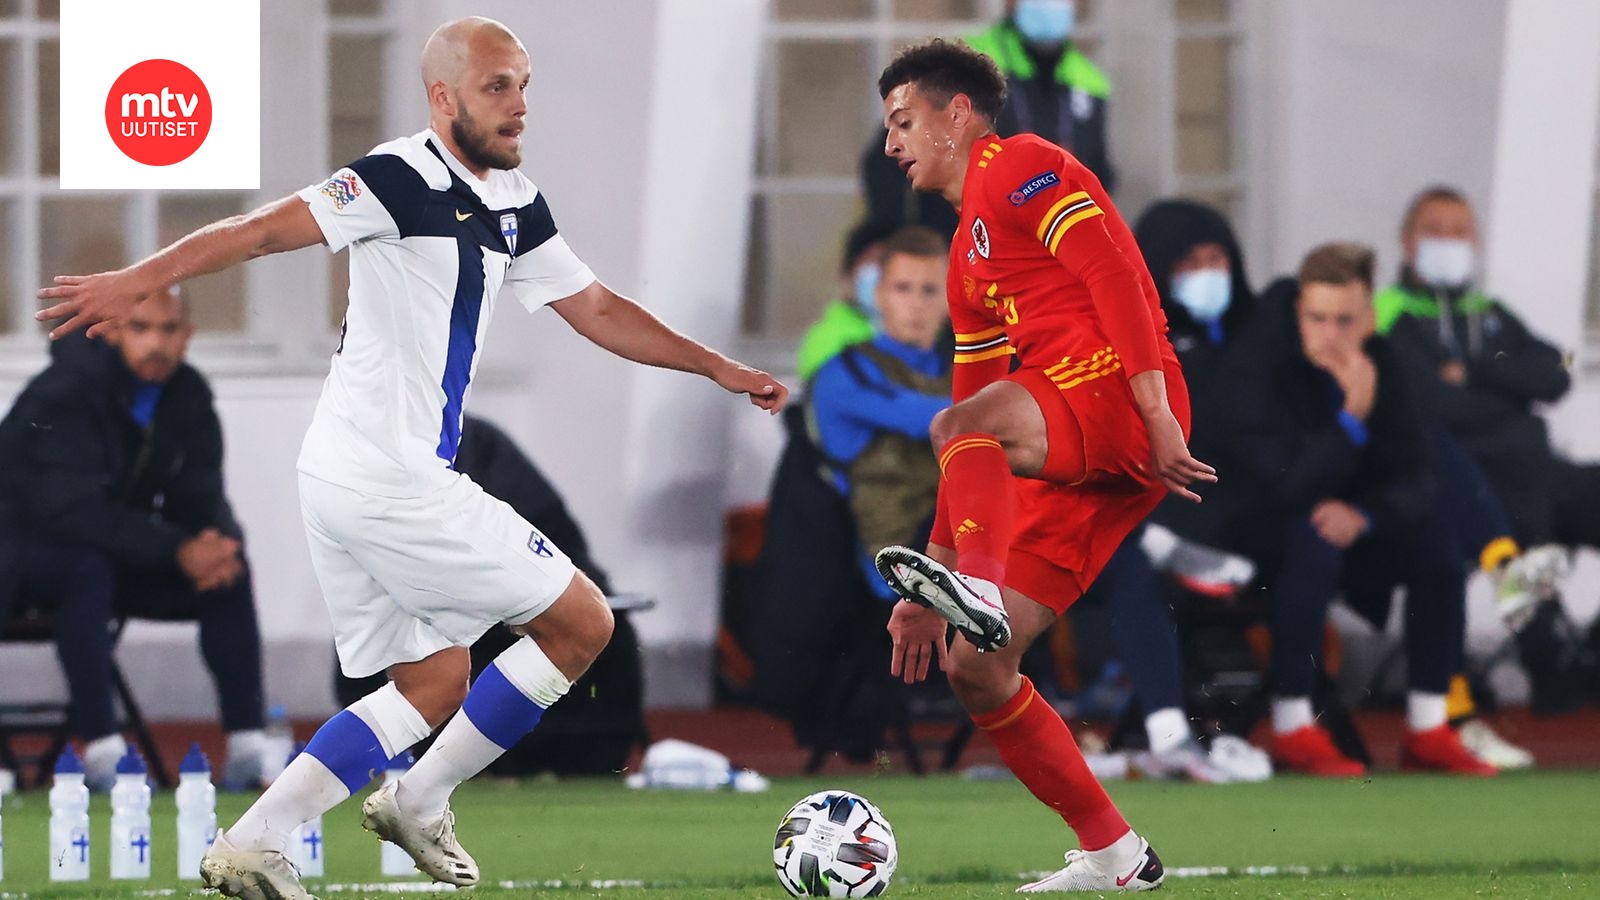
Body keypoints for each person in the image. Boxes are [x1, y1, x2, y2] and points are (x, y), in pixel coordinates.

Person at [36, 17, 786, 899]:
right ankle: (419, 800)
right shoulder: (397, 177)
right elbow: (260, 231)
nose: (519, 106)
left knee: (432, 681)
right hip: (389, 476)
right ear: (444, 96)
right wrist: (135, 281)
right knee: (583, 624)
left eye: (526, 84)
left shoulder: (517, 202)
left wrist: (715, 365)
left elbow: (597, 308)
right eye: (498, 86)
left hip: (348, 475)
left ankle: (255, 839)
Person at [870, 39, 1212, 892]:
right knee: (975, 668)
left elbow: (1116, 279)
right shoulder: (964, 264)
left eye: (902, 121)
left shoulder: (1020, 164)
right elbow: (971, 433)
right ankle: (1114, 855)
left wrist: (1159, 411)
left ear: (957, 116)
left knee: (961, 424)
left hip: (1124, 398)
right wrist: (928, 589)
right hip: (1075, 443)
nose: (891, 145)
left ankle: (976, 594)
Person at [1219, 244, 1493, 777]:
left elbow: (1417, 475)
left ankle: (1428, 725)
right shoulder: (1261, 366)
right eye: (1317, 318)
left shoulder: (1388, 366)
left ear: (1369, 320)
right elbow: (1283, 488)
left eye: (1345, 320)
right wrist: (1349, 420)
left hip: (1347, 529)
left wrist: (1365, 516)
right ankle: (1292, 722)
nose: (1330, 334)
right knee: (1311, 538)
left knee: (1437, 546)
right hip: (1257, 532)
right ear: (1299, 311)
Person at [0, 288, 266, 791]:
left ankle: (248, 748)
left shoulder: (187, 392)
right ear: (115, 331)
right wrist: (174, 548)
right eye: (141, 329)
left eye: (169, 330)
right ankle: (103, 752)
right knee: (87, 566)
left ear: (187, 337)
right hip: (23, 560)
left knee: (229, 571)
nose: (156, 344)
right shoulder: (65, 389)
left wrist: (216, 542)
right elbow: (68, 510)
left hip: (112, 551)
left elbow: (201, 491)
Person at [1375, 185, 1595, 711]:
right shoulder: (1388, 315)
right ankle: (1545, 648)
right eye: (1435, 231)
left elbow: (1558, 371)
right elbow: (1432, 406)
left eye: (1460, 231)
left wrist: (1476, 372)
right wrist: (1512, 399)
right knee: (1508, 496)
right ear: (1408, 242)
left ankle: (1579, 652)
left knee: (1547, 486)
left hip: (1529, 475)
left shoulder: (1492, 313)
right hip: (1451, 483)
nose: (1449, 242)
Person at [861, 0, 1114, 236]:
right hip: (957, 247)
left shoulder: (1090, 83)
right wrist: (900, 241)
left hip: (1043, 256)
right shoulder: (966, 62)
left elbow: (1098, 172)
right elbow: (892, 154)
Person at [810, 225, 952, 599]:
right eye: (903, 288)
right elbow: (935, 419)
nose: (916, 303)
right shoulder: (844, 373)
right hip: (888, 575)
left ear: (950, 299)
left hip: (961, 559)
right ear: (879, 295)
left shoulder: (961, 369)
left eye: (929, 290)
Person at [795, 218, 895, 381]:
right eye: (872, 265)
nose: (880, 279)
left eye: (887, 266)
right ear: (847, 274)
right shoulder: (828, 340)